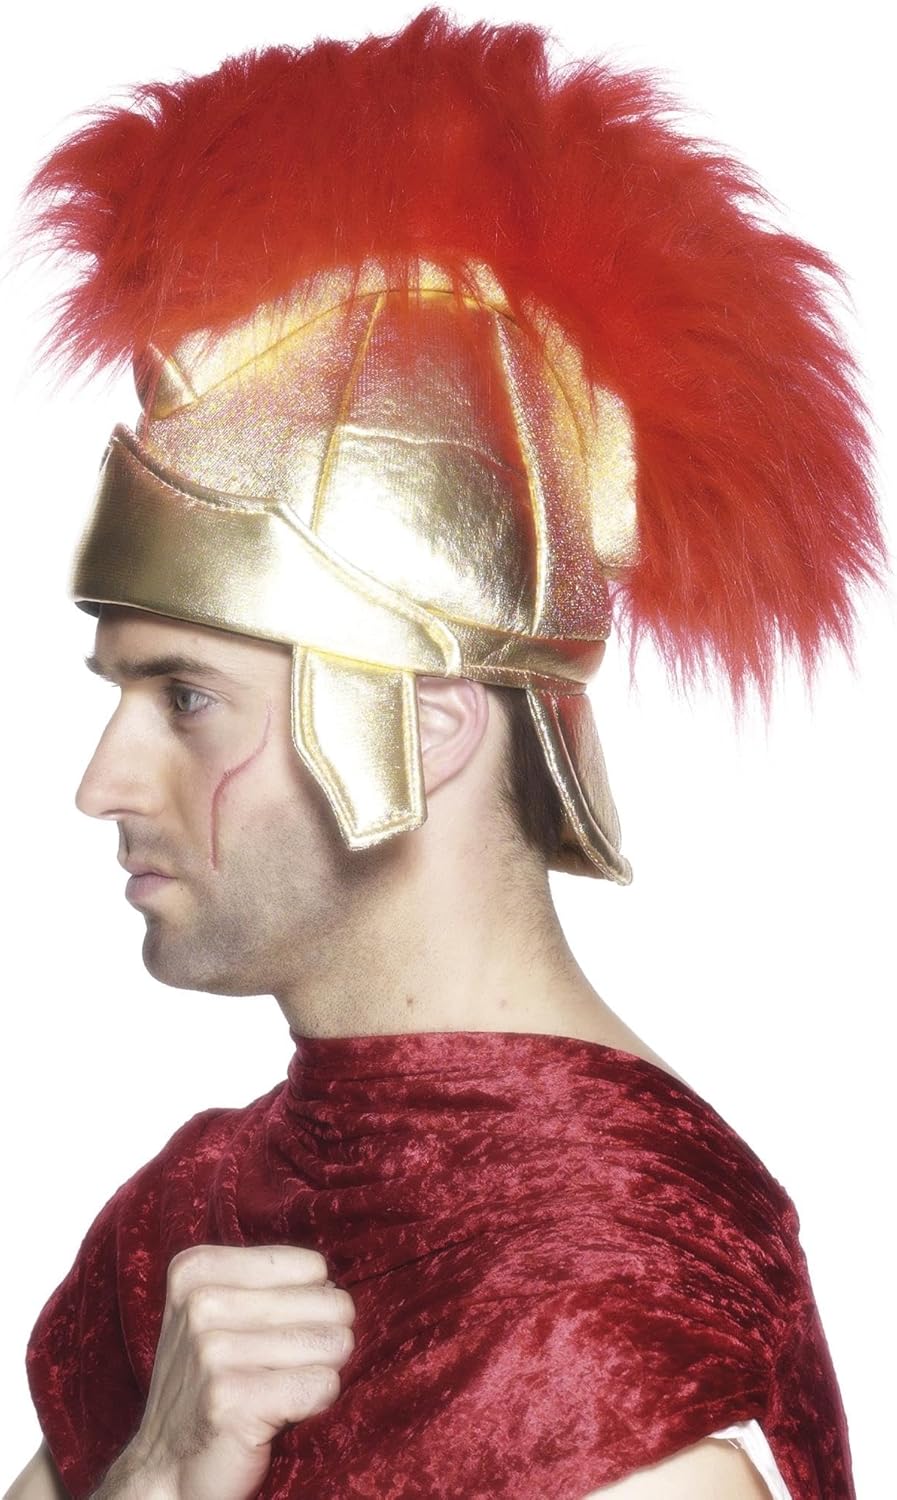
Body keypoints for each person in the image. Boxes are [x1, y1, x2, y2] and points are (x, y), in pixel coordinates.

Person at [4, 9, 885, 1498]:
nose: (102, 783)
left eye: (186, 697)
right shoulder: (194, 1223)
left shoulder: (605, 1333)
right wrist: (154, 1474)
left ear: (421, 723)